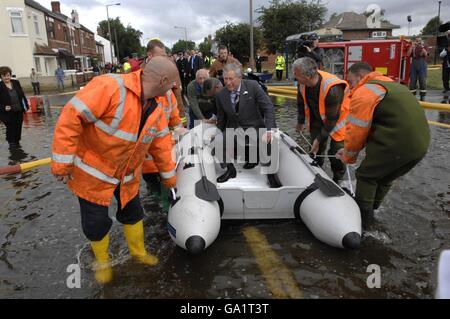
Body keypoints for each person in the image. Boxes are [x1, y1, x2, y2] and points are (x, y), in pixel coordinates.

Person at [51, 57, 179, 284]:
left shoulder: (156, 106)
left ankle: (138, 253)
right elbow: (71, 118)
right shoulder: (110, 86)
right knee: (96, 221)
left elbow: (161, 144)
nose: (174, 88)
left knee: (133, 213)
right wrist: (62, 164)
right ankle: (102, 261)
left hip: (126, 174)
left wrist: (169, 179)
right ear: (164, 80)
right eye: (173, 84)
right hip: (93, 173)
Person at [336, 62, 430, 228]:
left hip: (397, 142)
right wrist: (349, 150)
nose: (349, 87)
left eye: (350, 82)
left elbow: (357, 131)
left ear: (360, 77)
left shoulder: (365, 92)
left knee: (366, 176)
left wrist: (348, 156)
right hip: (420, 145)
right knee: (385, 177)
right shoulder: (393, 85)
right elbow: (375, 125)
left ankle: (363, 223)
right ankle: (373, 213)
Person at [214, 63, 276, 183]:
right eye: (225, 79)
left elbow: (268, 107)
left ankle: (270, 174)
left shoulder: (253, 86)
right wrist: (218, 133)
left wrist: (269, 130)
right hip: (235, 130)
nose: (227, 82)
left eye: (230, 79)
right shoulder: (220, 95)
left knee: (269, 139)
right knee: (217, 141)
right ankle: (230, 170)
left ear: (240, 77)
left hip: (256, 128)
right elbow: (221, 119)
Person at [293, 57, 349, 184]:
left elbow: (332, 120)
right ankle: (316, 171)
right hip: (317, 118)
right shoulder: (302, 84)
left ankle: (338, 178)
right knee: (315, 149)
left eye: (296, 75)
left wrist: (319, 139)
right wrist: (300, 121)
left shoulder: (333, 89)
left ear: (306, 76)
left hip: (338, 121)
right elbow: (300, 101)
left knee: (336, 152)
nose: (294, 77)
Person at [145, 39, 187, 126]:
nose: (165, 59)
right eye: (161, 56)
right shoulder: (139, 70)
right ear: (149, 55)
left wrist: (182, 120)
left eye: (165, 55)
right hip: (146, 122)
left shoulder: (169, 67)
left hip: (167, 119)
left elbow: (177, 94)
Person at [0, 66, 29, 147]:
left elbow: (22, 95)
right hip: (8, 113)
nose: (6, 77)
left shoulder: (16, 82)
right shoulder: (0, 86)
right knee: (11, 129)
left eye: (8, 75)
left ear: (10, 75)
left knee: (18, 128)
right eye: (4, 75)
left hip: (19, 110)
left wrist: (26, 105)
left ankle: (17, 144)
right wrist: (4, 107)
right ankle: (12, 147)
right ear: (1, 76)